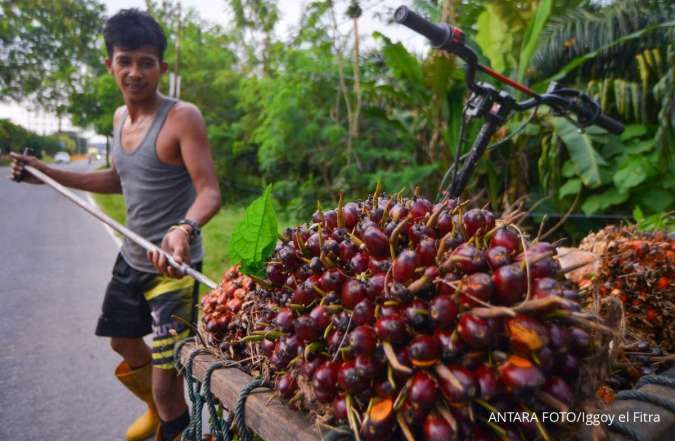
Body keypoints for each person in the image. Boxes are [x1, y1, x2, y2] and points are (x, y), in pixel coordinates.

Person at [10, 9, 221, 441]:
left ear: (162, 67)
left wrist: (184, 229)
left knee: (167, 384)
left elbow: (210, 193)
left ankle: (169, 423)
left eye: (146, 62)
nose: (135, 72)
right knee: (122, 342)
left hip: (172, 273)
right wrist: (47, 174)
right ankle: (155, 407)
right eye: (124, 60)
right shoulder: (119, 118)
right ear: (110, 65)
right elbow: (117, 178)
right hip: (130, 259)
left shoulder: (183, 118)